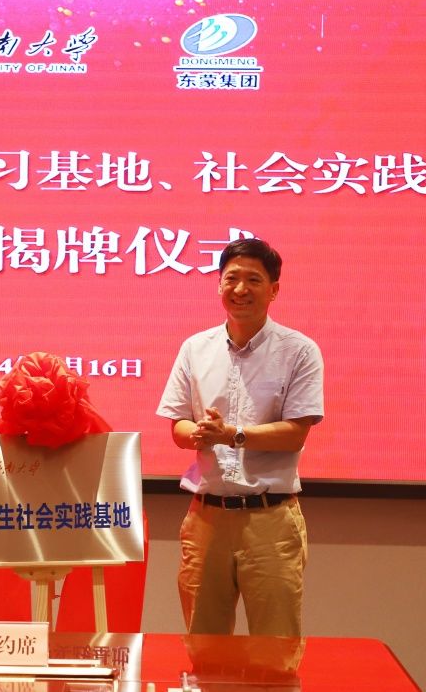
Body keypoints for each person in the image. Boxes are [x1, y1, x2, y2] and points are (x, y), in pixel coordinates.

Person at [157, 238, 324, 636]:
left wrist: (231, 435)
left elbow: (295, 433)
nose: (240, 289)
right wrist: (200, 433)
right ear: (219, 284)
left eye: (253, 279)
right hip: (206, 519)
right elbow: (178, 426)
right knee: (203, 645)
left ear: (274, 289)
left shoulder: (299, 351)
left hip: (270, 518)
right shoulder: (195, 348)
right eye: (231, 278)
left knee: (275, 646)